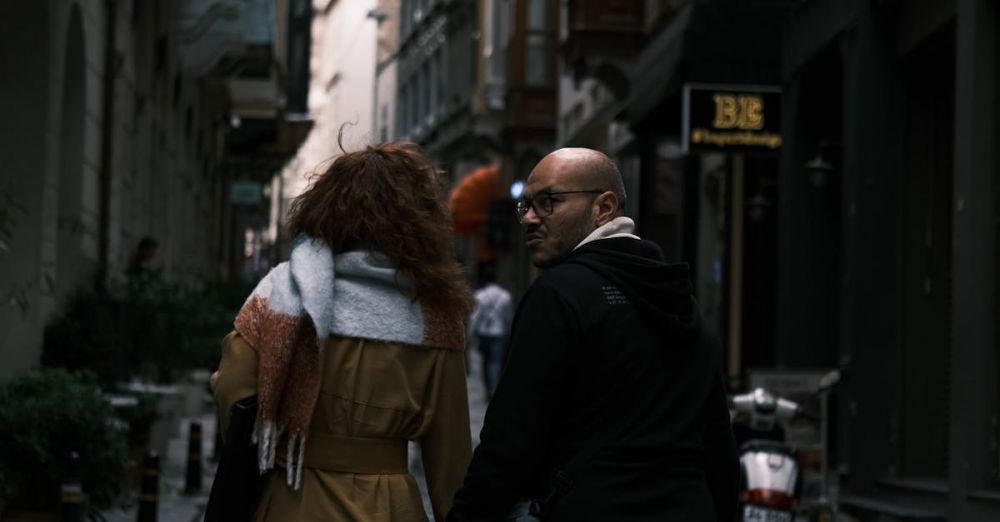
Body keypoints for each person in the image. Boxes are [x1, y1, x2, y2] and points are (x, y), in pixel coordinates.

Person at [447, 148, 738, 522]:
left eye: (548, 201)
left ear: (603, 207)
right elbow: (719, 448)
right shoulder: (681, 302)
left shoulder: (560, 294)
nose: (529, 218)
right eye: (525, 206)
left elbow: (510, 443)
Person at [211, 142, 474, 522]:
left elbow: (232, 390)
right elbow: (450, 453)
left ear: (328, 207)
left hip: (292, 496)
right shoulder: (435, 313)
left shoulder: (282, 290)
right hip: (389, 507)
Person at [468, 266, 512, 399]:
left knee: (485, 362)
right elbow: (508, 316)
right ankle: (494, 390)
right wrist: (508, 331)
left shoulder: (480, 295)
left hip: (483, 333)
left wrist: (470, 333)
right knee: (496, 362)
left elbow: (474, 317)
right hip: (498, 333)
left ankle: (488, 390)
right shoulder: (505, 296)